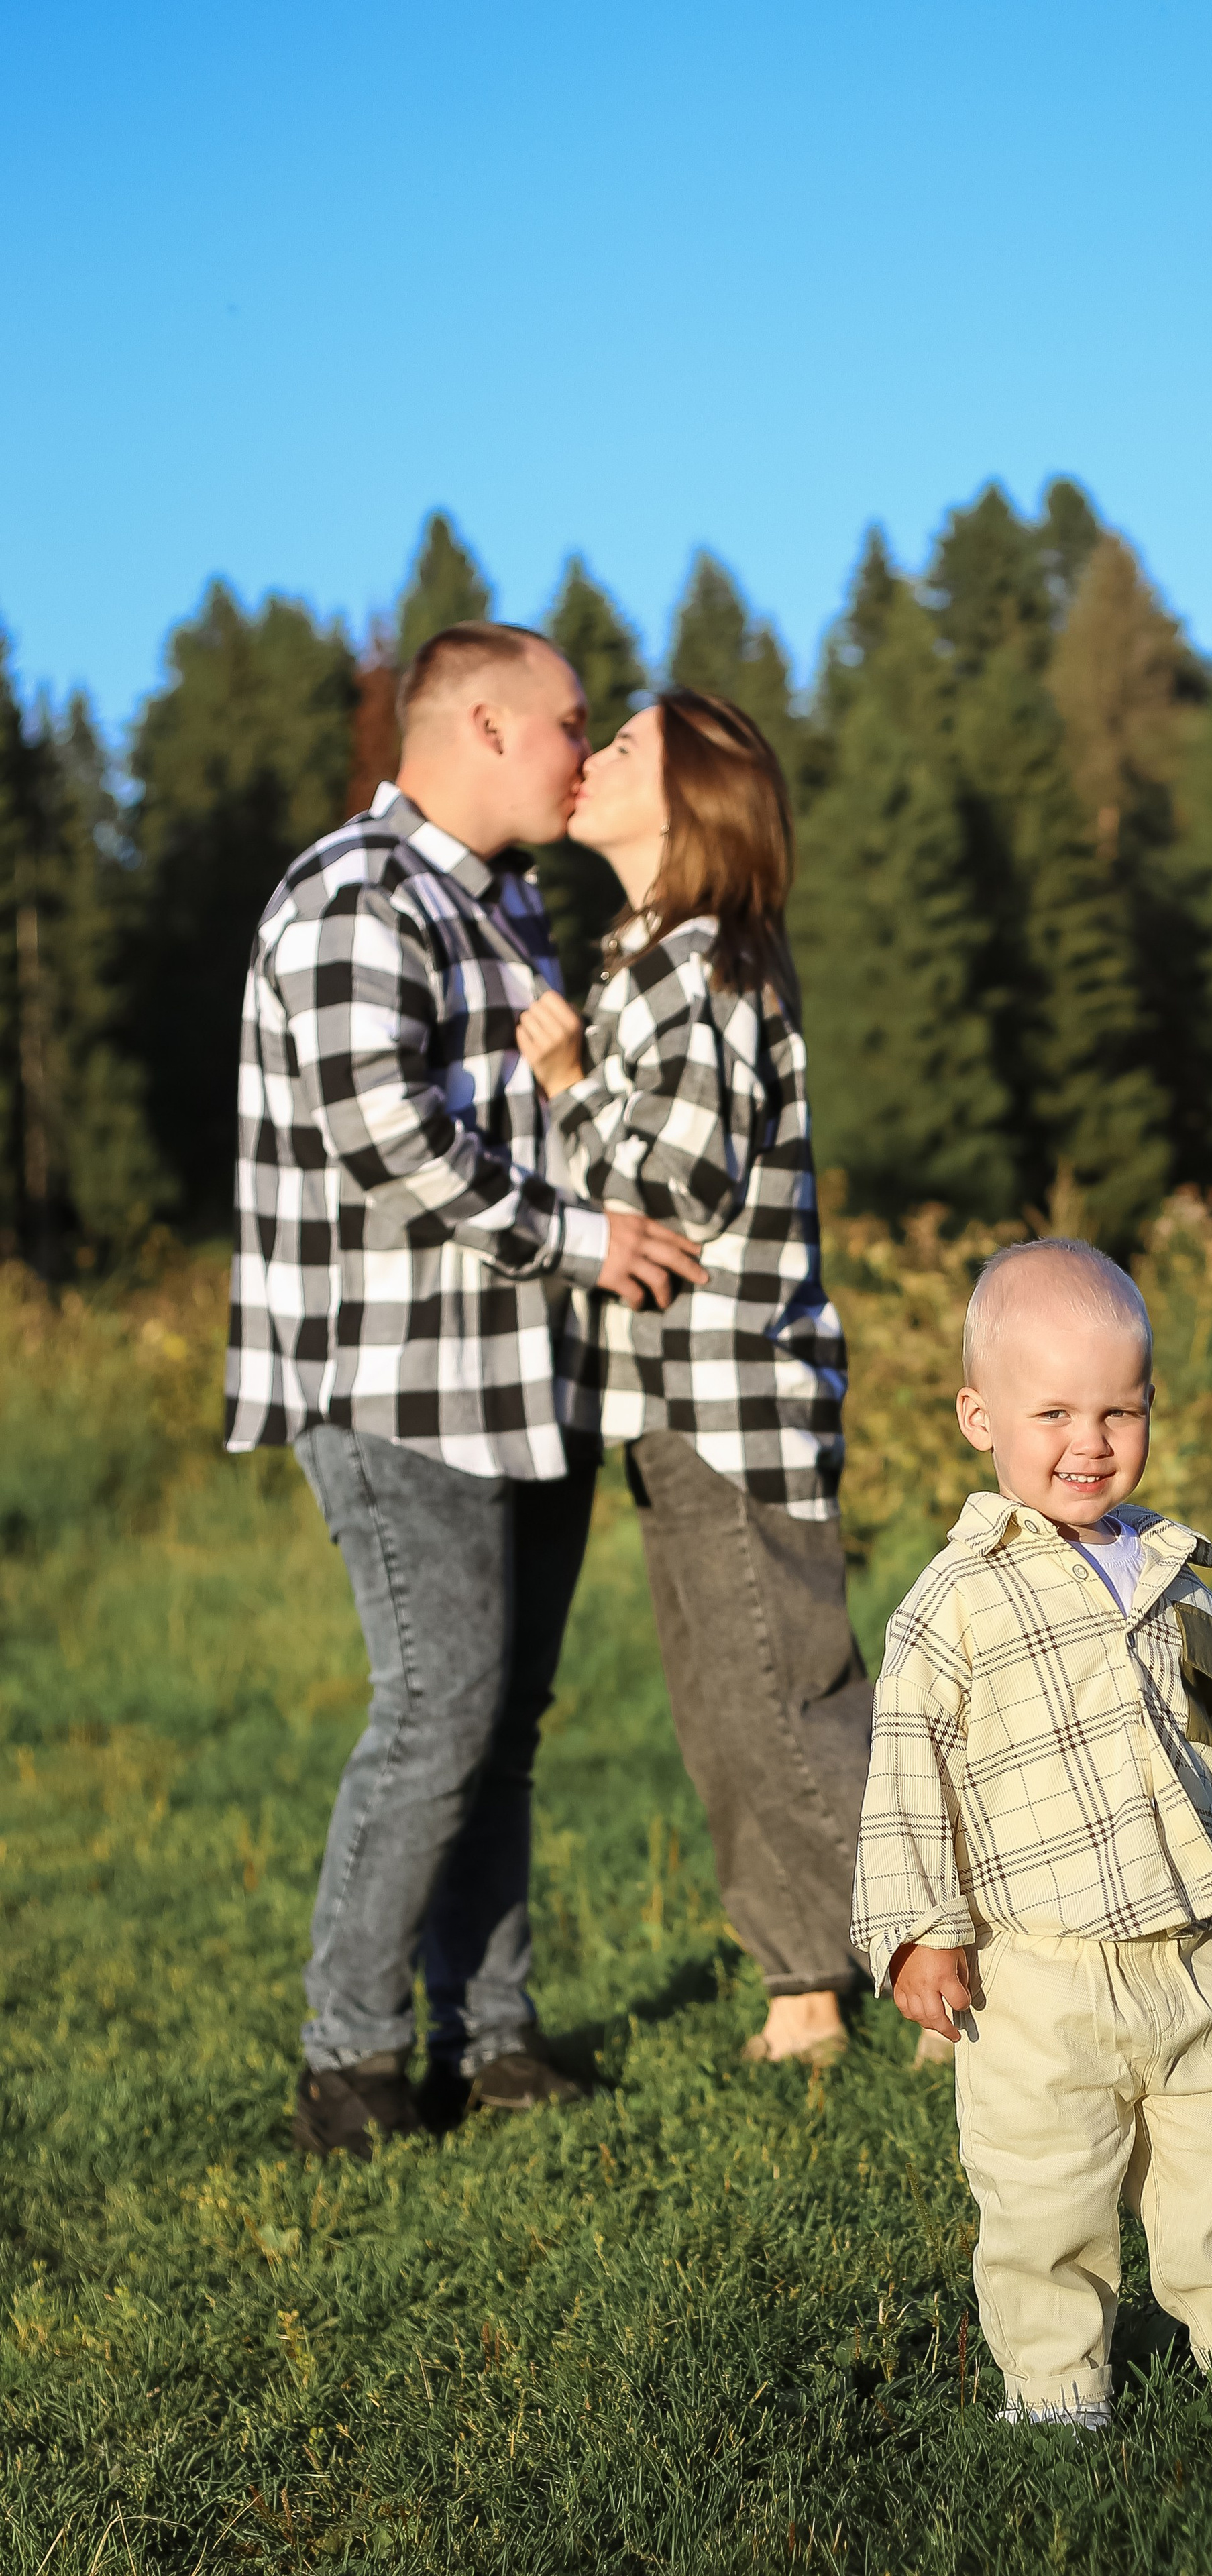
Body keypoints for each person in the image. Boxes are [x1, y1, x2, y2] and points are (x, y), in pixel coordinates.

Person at [226, 621, 706, 2160]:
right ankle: (347, 2063)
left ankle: (487, 2038)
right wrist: (587, 1237)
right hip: (391, 1382)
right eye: (573, 721)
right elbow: (388, 1137)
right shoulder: (358, 896)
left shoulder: (499, 904)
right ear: (487, 727)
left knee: (498, 1720)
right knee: (436, 1707)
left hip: (517, 1378)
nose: (587, 747)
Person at [850, 1238, 1212, 2428]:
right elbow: (907, 1778)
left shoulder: (1180, 1586)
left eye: (1120, 1408)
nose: (1089, 1441)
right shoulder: (955, 1602)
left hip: (1198, 1954)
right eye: (1052, 1410)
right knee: (1045, 2191)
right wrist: (917, 1932)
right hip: (1040, 1974)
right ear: (979, 1416)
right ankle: (1057, 2387)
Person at [513, 690, 870, 2067]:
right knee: (734, 1697)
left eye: (621, 748)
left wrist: (561, 1086)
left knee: (779, 1695)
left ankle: (949, 1955)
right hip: (683, 1393)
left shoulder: (700, 955)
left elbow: (674, 1175)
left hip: (728, 1388)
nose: (589, 759)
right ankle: (806, 1980)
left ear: (693, 800)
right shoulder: (654, 956)